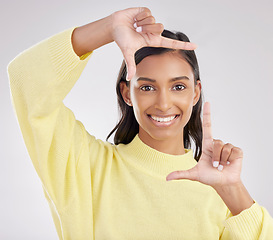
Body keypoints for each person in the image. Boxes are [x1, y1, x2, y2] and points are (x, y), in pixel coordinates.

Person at [8, 6, 273, 240]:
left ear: (195, 93)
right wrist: (109, 28)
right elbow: (25, 80)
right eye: (147, 87)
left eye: (178, 86)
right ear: (127, 93)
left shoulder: (221, 193)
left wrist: (234, 192)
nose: (164, 103)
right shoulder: (84, 166)